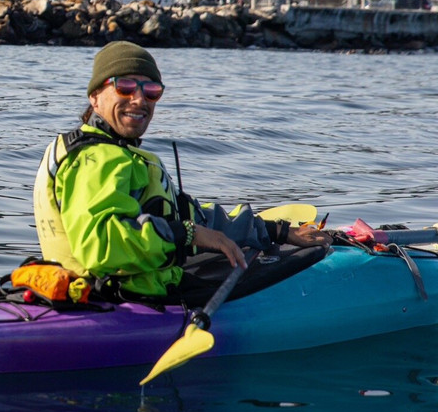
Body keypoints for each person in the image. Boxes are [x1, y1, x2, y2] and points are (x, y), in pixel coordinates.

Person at [33, 40, 329, 303]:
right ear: (95, 97)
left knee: (239, 254)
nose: (139, 100)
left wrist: (275, 231)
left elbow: (191, 216)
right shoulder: (95, 160)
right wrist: (187, 235)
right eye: (124, 87)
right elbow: (103, 248)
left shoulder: (122, 156)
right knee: (281, 271)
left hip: (135, 285)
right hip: (117, 298)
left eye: (151, 91)